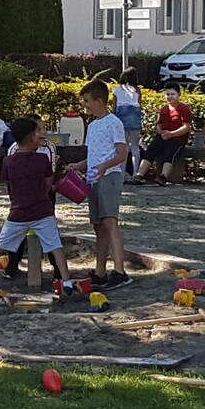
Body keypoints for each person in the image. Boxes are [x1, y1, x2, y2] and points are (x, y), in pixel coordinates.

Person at [0, 116, 70, 292]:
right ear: (31, 137)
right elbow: (47, 184)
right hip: (43, 211)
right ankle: (67, 282)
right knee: (55, 246)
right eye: (38, 131)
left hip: (18, 212)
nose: (41, 134)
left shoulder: (8, 161)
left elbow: (9, 186)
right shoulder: (42, 160)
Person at [78, 79, 132, 286]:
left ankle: (119, 271)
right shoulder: (92, 125)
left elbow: (121, 153)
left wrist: (103, 167)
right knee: (98, 225)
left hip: (109, 176)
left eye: (87, 101)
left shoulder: (114, 122)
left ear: (100, 100)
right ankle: (100, 271)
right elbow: (93, 156)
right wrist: (78, 166)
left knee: (110, 221)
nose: (85, 105)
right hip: (94, 178)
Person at [141, 88, 196, 184]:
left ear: (179, 95)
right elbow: (159, 124)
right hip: (163, 136)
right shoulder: (164, 109)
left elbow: (186, 127)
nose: (170, 96)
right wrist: (161, 132)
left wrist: (171, 134)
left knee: (169, 153)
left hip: (178, 138)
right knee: (150, 151)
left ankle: (163, 177)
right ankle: (139, 175)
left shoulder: (184, 108)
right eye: (168, 94)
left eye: (173, 94)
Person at [111, 69, 146, 176]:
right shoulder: (137, 90)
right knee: (135, 146)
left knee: (124, 146)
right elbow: (139, 104)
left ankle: (122, 172)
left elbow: (114, 106)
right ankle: (136, 173)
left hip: (122, 115)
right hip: (135, 115)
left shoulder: (118, 90)